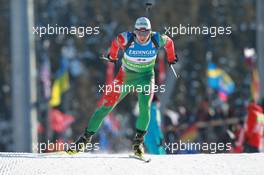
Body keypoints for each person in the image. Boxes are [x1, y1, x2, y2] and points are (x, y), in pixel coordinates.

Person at [67, 17, 177, 157]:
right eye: (139, 33)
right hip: (125, 77)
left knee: (145, 107)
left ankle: (138, 144)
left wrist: (171, 58)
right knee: (105, 107)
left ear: (150, 32)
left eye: (145, 33)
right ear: (135, 32)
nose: (142, 37)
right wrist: (112, 56)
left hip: (145, 77)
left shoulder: (157, 39)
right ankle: (83, 140)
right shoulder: (126, 38)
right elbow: (115, 43)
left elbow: (169, 42)